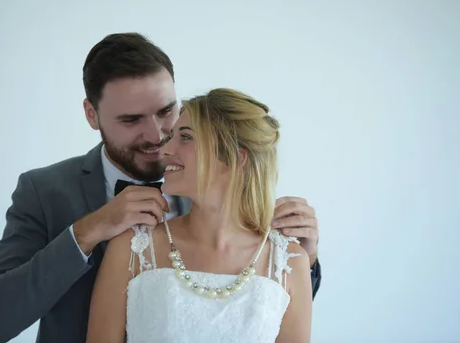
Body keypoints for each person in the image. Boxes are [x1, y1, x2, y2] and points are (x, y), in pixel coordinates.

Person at [0, 33, 321, 343]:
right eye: (131, 120)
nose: (157, 136)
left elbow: (260, 313)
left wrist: (307, 260)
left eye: (166, 111)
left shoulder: (213, 177)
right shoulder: (43, 190)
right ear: (92, 115)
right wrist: (88, 231)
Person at [86, 88, 313, 343]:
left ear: (233, 158)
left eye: (185, 137)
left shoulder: (290, 262)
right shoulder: (132, 249)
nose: (164, 150)